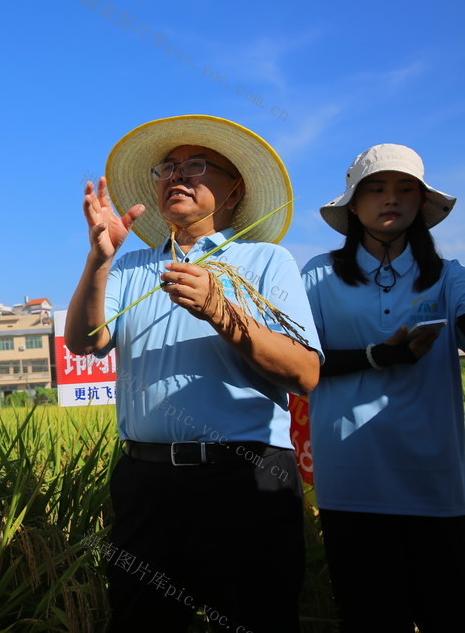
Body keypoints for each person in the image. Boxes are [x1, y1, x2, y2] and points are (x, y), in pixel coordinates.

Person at [66, 115, 322, 633]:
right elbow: (84, 341)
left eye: (198, 167)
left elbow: (305, 373)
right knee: (143, 619)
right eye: (169, 168)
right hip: (147, 482)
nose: (177, 177)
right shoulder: (132, 265)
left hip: (245, 478)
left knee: (256, 615)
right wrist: (98, 259)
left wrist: (220, 311)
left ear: (233, 191)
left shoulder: (265, 261)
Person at [302, 143, 465, 632]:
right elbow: (299, 363)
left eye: (404, 189)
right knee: (372, 617)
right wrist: (380, 355)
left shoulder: (447, 276)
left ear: (420, 202)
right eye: (374, 188)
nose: (389, 199)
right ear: (353, 203)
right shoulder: (318, 274)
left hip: (437, 481)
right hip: (353, 481)